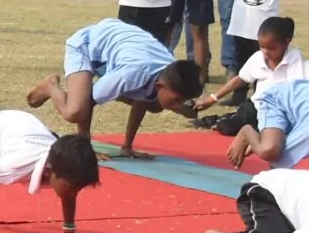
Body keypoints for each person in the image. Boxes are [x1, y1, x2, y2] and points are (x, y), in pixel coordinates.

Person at [27, 18, 203, 157]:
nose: (180, 105)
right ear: (160, 86)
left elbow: (142, 102)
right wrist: (85, 147)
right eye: (177, 100)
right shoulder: (133, 73)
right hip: (86, 47)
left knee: (155, 105)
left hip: (115, 44)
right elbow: (89, 101)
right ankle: (51, 86)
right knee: (75, 112)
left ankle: (98, 89)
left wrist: (127, 146)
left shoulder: (168, 70)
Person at [194, 16, 305, 136]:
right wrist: (213, 98)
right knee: (227, 128)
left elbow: (299, 88)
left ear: (287, 42)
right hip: (257, 106)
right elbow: (239, 80)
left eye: (272, 48)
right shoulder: (258, 58)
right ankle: (219, 120)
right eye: (262, 46)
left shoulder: (294, 58)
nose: (266, 52)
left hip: (283, 110)